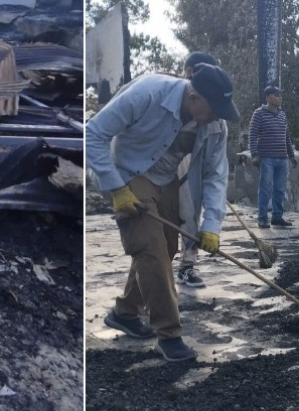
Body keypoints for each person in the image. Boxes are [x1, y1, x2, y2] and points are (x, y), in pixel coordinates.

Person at [87, 63, 237, 362]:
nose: (218, 115)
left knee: (166, 247)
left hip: (166, 179)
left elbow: (216, 175)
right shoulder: (149, 92)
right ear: (194, 97)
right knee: (151, 249)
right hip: (128, 172)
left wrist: (211, 226)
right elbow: (93, 134)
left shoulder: (215, 125)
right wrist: (116, 189)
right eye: (214, 108)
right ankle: (169, 335)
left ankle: (125, 313)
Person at [173, 52, 228, 289]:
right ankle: (153, 275)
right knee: (157, 230)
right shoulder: (171, 99)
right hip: (160, 165)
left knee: (190, 213)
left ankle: (187, 265)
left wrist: (213, 224)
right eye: (189, 75)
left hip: (191, 167)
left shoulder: (218, 121)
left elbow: (216, 174)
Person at [248, 85, 298, 229]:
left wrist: (291, 155)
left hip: (282, 158)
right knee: (265, 188)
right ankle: (262, 218)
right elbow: (252, 135)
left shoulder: (282, 114)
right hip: (267, 158)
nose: (279, 98)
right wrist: (255, 155)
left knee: (280, 189)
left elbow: (286, 136)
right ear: (268, 97)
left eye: (280, 95)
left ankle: (277, 217)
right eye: (276, 95)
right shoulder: (259, 114)